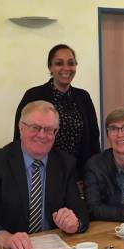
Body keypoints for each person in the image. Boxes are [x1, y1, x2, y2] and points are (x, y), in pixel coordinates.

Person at [0, 101, 89, 249]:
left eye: (49, 130)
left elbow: (81, 211)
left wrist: (75, 223)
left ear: (56, 132)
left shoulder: (65, 163)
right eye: (35, 128)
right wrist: (5, 238)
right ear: (21, 128)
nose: (42, 135)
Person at [13, 44, 101, 179]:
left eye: (71, 63)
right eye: (59, 63)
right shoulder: (33, 95)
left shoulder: (83, 97)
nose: (66, 68)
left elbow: (93, 139)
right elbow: (20, 137)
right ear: (50, 67)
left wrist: (94, 175)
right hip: (42, 175)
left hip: (78, 176)